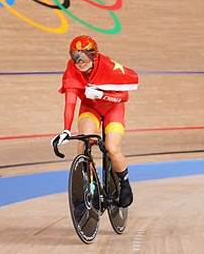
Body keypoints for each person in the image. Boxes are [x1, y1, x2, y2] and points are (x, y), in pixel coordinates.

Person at [51, 35, 139, 207]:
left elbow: (124, 97)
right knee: (84, 140)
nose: (79, 62)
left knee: (112, 148)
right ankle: (86, 185)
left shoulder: (107, 67)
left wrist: (102, 95)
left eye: (83, 57)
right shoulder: (72, 69)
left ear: (93, 56)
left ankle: (125, 183)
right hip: (90, 108)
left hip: (113, 109)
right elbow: (70, 102)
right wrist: (66, 130)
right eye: (75, 57)